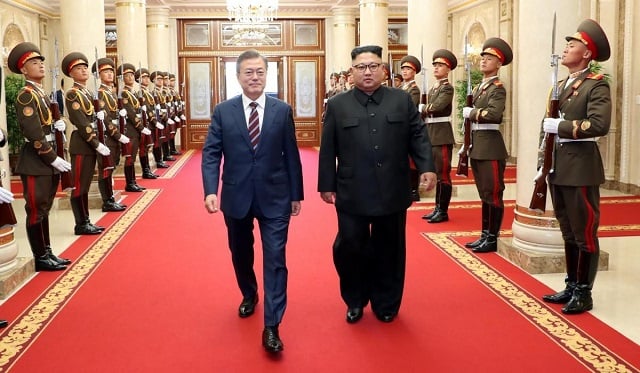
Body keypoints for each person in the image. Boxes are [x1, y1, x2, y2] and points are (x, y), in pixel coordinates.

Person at [318, 45, 436, 324]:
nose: (368, 72)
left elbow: (418, 136)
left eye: (373, 66)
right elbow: (328, 148)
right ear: (353, 72)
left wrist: (427, 167)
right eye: (361, 67)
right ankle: (355, 300)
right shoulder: (337, 104)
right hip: (352, 190)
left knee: (390, 249)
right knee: (350, 248)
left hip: (392, 188)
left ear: (384, 70)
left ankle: (386, 303)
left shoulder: (400, 100)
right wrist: (326, 184)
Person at [202, 49, 303, 353]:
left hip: (276, 196)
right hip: (236, 196)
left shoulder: (282, 110)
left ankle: (272, 326)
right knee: (240, 253)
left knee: (275, 259)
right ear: (238, 77)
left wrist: (296, 194)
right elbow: (211, 154)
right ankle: (249, 293)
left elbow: (292, 155)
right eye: (248, 72)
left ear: (266, 74)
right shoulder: (223, 111)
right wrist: (210, 190)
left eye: (259, 71)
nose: (254, 77)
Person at [540, 19, 611, 315]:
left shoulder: (597, 84)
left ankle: (584, 292)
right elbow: (546, 127)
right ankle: (571, 284)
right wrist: (541, 162)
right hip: (558, 166)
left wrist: (563, 126)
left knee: (585, 231)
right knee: (568, 231)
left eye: (573, 44)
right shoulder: (560, 85)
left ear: (586, 53)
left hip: (581, 165)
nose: (566, 47)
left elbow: (599, 124)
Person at [8, 42, 72, 270]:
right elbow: (34, 133)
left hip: (47, 158)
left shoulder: (42, 94)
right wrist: (51, 157)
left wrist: (59, 125)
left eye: (41, 62)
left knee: (44, 208)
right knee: (36, 209)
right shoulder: (26, 96)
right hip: (36, 160)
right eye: (34, 63)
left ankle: (48, 252)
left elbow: (46, 126)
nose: (41, 65)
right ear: (24, 70)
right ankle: (41, 257)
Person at [462, 37, 512, 253]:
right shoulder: (481, 86)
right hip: (478, 146)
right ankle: (485, 235)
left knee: (493, 193)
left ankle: (492, 237)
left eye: (489, 58)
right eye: (482, 57)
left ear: (499, 64)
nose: (483, 61)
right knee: (484, 193)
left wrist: (472, 112)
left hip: (490, 146)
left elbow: (493, 114)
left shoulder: (497, 88)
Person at [63, 51, 109, 235]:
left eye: (84, 67)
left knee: (86, 184)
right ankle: (80, 223)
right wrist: (95, 142)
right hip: (82, 144)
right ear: (71, 73)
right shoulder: (73, 94)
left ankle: (86, 220)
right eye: (78, 68)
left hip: (89, 144)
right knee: (79, 186)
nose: (83, 70)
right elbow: (81, 123)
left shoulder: (87, 92)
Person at [421, 49, 458, 223]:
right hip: (431, 133)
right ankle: (437, 208)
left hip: (442, 134)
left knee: (443, 174)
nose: (436, 68)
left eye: (440, 65)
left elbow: (436, 107)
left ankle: (442, 211)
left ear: (448, 69)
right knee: (435, 172)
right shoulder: (434, 87)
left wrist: (423, 108)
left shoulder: (447, 88)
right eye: (435, 65)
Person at [93, 57, 129, 212]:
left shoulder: (111, 93)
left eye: (111, 72)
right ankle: (107, 200)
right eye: (105, 72)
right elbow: (106, 118)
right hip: (108, 136)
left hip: (114, 136)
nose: (109, 74)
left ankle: (110, 197)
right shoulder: (100, 93)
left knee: (111, 166)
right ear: (99, 75)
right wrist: (117, 135)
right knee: (106, 168)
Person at [119, 62, 149, 192]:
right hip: (131, 129)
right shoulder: (124, 93)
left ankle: (133, 181)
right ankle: (129, 183)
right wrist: (140, 126)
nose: (130, 77)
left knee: (133, 156)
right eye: (127, 75)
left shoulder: (133, 93)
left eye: (132, 75)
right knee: (129, 157)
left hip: (135, 130)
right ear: (122, 78)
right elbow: (130, 113)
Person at [400, 55, 423, 201]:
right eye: (403, 69)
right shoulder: (402, 87)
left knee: (412, 161)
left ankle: (414, 189)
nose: (404, 72)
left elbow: (410, 108)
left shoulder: (414, 90)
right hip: (401, 129)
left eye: (408, 69)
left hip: (409, 129)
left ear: (414, 72)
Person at [135, 67, 161, 179]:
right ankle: (146, 170)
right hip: (146, 123)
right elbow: (146, 109)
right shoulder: (140, 93)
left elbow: (151, 107)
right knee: (144, 147)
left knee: (147, 146)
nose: (146, 79)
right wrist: (154, 121)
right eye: (143, 77)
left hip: (150, 122)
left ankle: (148, 169)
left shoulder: (148, 92)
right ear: (138, 79)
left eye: (146, 77)